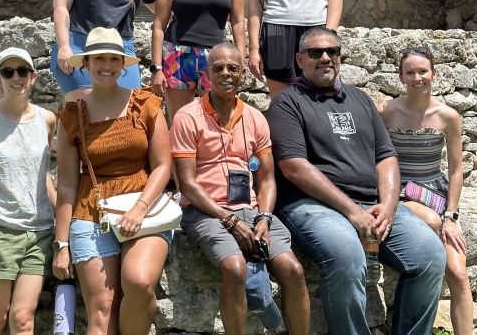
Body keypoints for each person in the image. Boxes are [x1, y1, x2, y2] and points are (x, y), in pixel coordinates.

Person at [268, 27, 446, 335]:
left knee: (430, 255)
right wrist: (353, 211)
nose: (325, 58)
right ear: (299, 59)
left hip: (372, 203)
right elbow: (294, 166)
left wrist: (388, 207)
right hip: (312, 204)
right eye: (315, 53)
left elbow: (386, 157)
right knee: (347, 257)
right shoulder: (287, 103)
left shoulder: (361, 99)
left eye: (332, 51)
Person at [170, 42, 310, 335]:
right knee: (235, 268)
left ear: (243, 74)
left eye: (233, 68)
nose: (225, 74)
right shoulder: (187, 116)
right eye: (218, 68)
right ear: (207, 74)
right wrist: (229, 220)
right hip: (205, 211)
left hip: (251, 209)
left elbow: (268, 178)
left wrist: (265, 217)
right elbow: (188, 184)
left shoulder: (255, 118)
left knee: (293, 270)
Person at [52, 27, 172, 335]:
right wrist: (61, 244)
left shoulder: (145, 104)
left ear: (122, 64)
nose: (106, 65)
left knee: (139, 281)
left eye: (113, 59)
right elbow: (66, 184)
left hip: (145, 206)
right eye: (99, 58)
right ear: (86, 63)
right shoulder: (72, 116)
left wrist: (140, 208)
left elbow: (162, 165)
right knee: (102, 309)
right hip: (91, 211)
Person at [378, 46, 473, 335]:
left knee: (458, 273)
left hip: (436, 192)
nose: (418, 77)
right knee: (431, 221)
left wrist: (452, 215)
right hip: (401, 190)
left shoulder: (449, 116)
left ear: (434, 73)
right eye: (410, 72)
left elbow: (456, 170)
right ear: (401, 77)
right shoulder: (387, 112)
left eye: (423, 71)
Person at [0, 47, 57, 335]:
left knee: (23, 317)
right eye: (8, 72)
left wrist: (64, 230)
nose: (16, 78)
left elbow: (44, 176)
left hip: (40, 233)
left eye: (22, 71)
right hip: (1, 231)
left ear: (33, 77)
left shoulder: (48, 120)